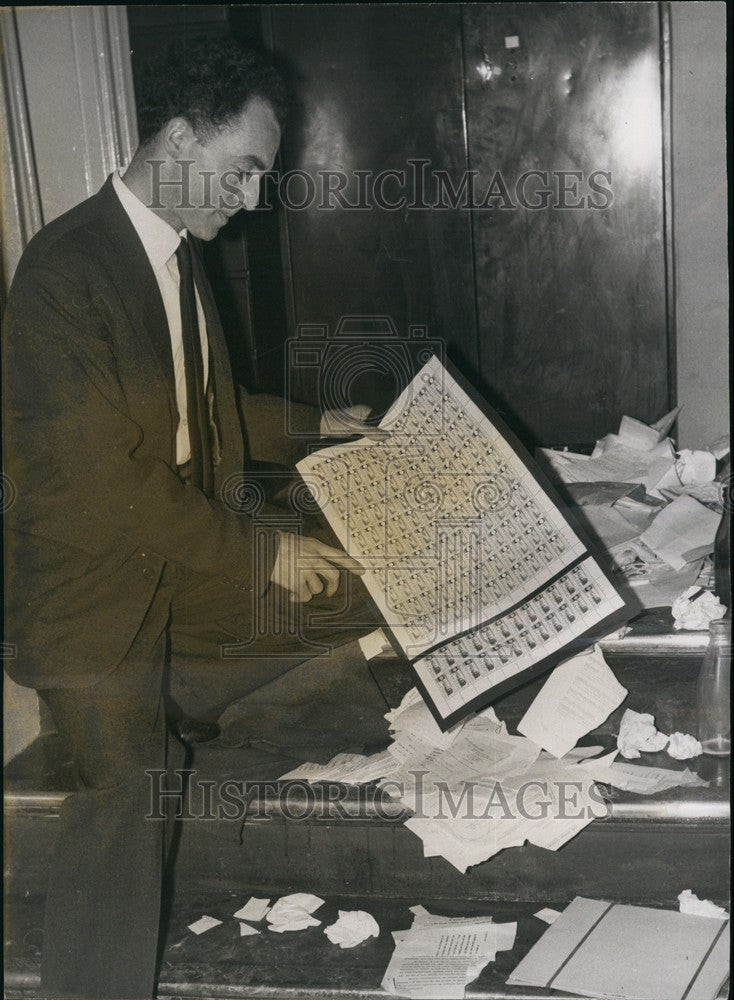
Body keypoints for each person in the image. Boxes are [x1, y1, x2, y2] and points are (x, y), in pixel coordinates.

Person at [3, 36, 383, 998]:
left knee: (368, 589)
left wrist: (319, 425)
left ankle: (203, 727)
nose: (252, 199)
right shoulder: (65, 278)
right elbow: (109, 488)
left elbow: (205, 410)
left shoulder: (169, 251)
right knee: (124, 807)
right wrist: (263, 554)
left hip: (172, 567)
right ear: (177, 138)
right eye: (244, 171)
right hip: (90, 607)